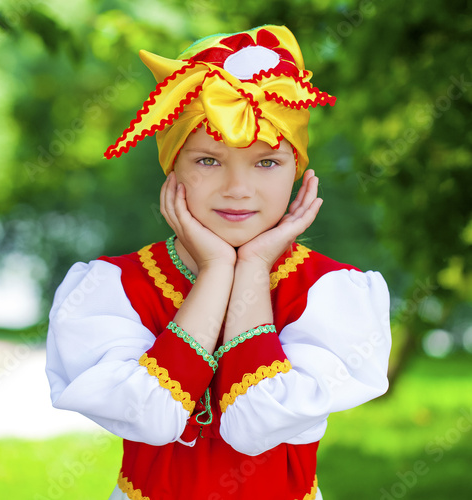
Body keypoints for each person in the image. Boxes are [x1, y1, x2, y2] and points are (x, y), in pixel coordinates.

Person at [46, 25, 391, 500]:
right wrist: (215, 272)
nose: (237, 189)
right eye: (208, 160)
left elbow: (258, 423)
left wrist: (251, 267)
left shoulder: (330, 292)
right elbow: (151, 416)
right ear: (172, 167)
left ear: (298, 171)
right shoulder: (113, 288)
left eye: (266, 162)